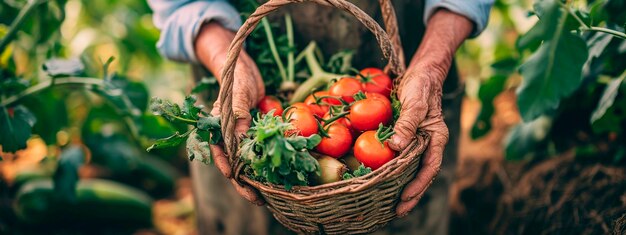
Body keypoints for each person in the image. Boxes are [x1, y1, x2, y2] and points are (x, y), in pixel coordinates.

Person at [148, 0, 493, 234]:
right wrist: (228, 60)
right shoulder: (321, 116)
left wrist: (432, 64)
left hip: (411, 56)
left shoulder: (332, 111)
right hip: (237, 74)